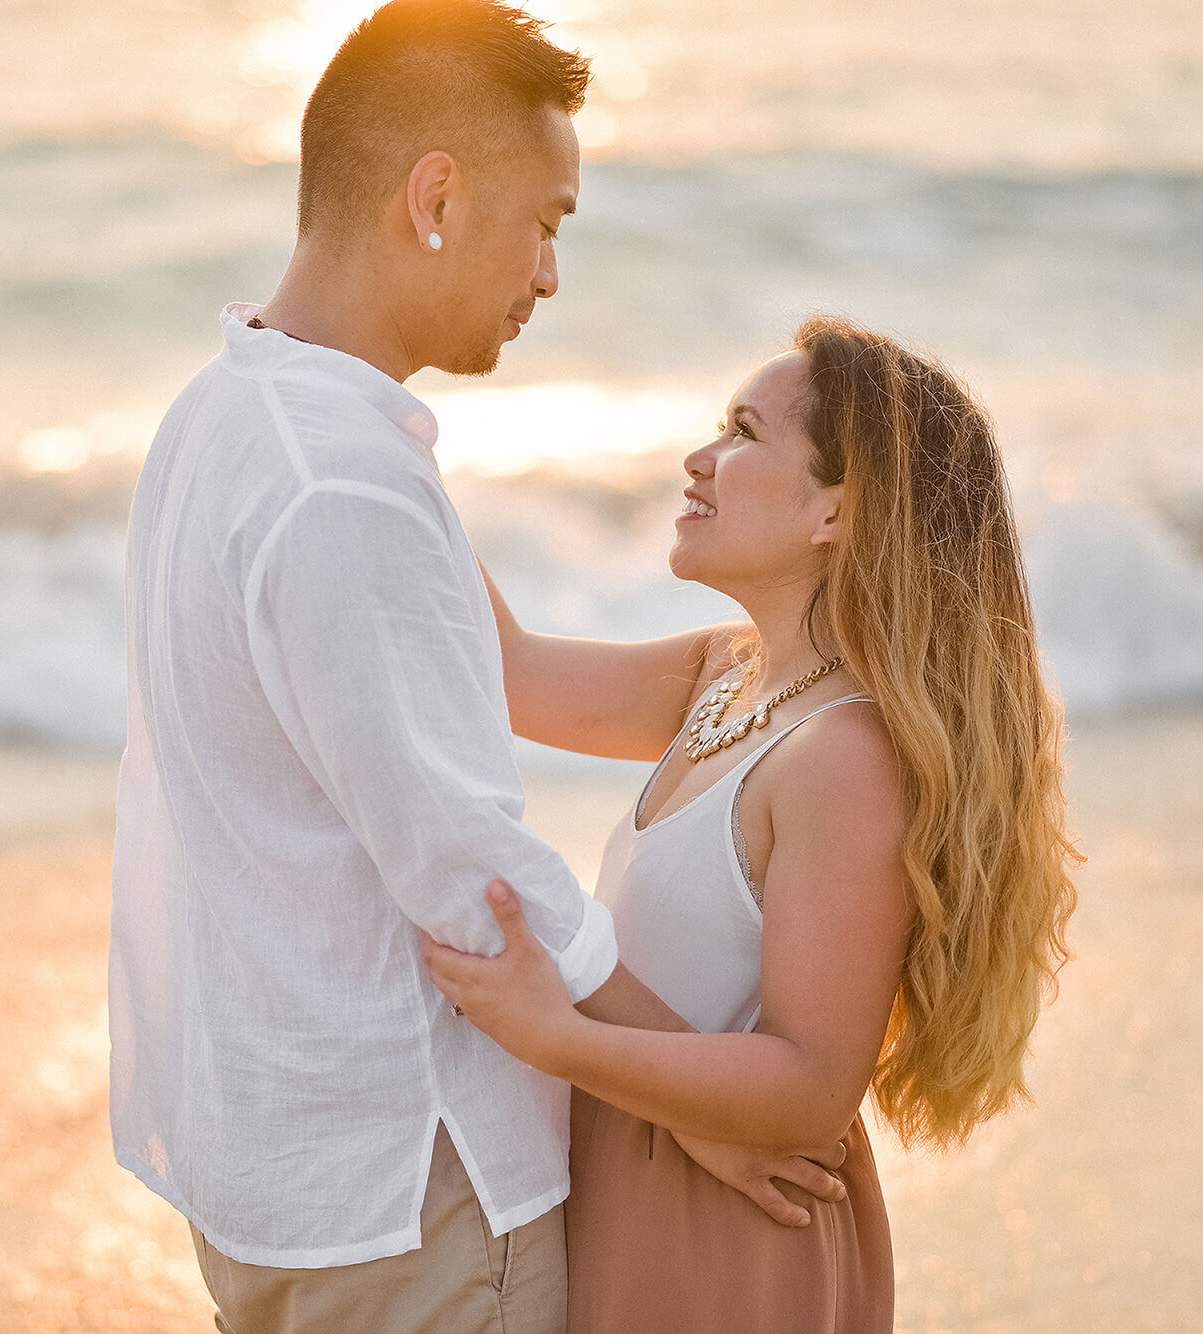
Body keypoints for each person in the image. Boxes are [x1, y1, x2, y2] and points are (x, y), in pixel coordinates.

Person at [110, 4, 840, 1331]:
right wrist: (695, 1101)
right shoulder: (342, 482)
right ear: (435, 195)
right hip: (415, 1182)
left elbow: (501, 671)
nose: (551, 272)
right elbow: (472, 877)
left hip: (282, 1164)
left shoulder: (229, 414)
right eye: (547, 219)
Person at [425, 316, 1082, 1332]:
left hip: (727, 1218)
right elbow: (497, 668)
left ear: (835, 510)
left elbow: (810, 1083)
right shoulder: (723, 674)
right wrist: (370, 422)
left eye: (741, 431)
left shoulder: (843, 757)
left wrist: (554, 1035)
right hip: (652, 1163)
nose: (699, 457)